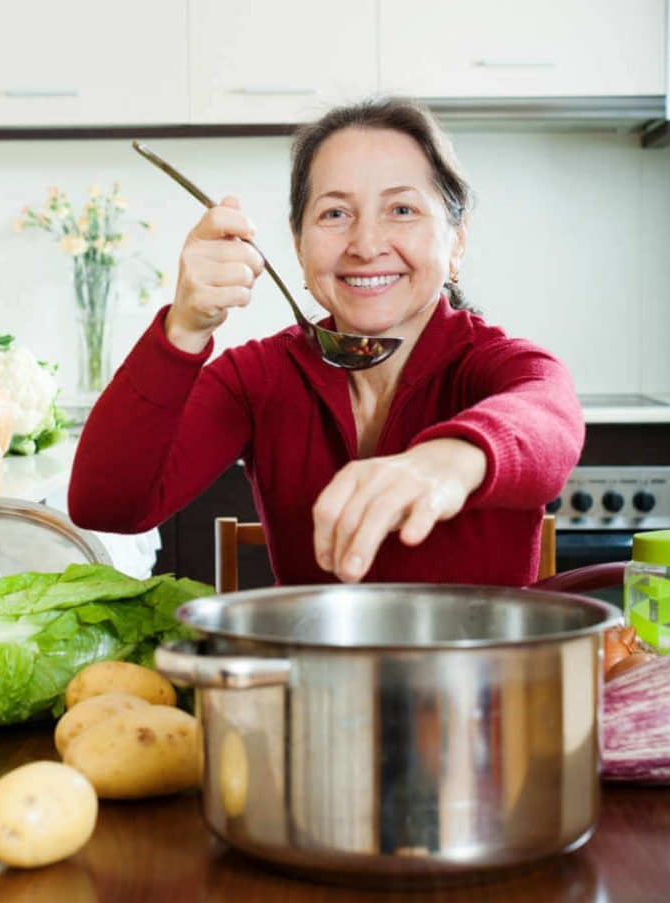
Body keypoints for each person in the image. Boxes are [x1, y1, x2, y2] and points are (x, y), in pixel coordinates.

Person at [68, 97, 583, 587]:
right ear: (297, 245)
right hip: (314, 678)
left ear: (457, 240)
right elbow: (107, 505)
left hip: (481, 679)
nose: (365, 245)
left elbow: (548, 417)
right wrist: (184, 327)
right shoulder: (259, 378)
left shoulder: (495, 365)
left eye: (402, 210)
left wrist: (449, 462)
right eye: (335, 214)